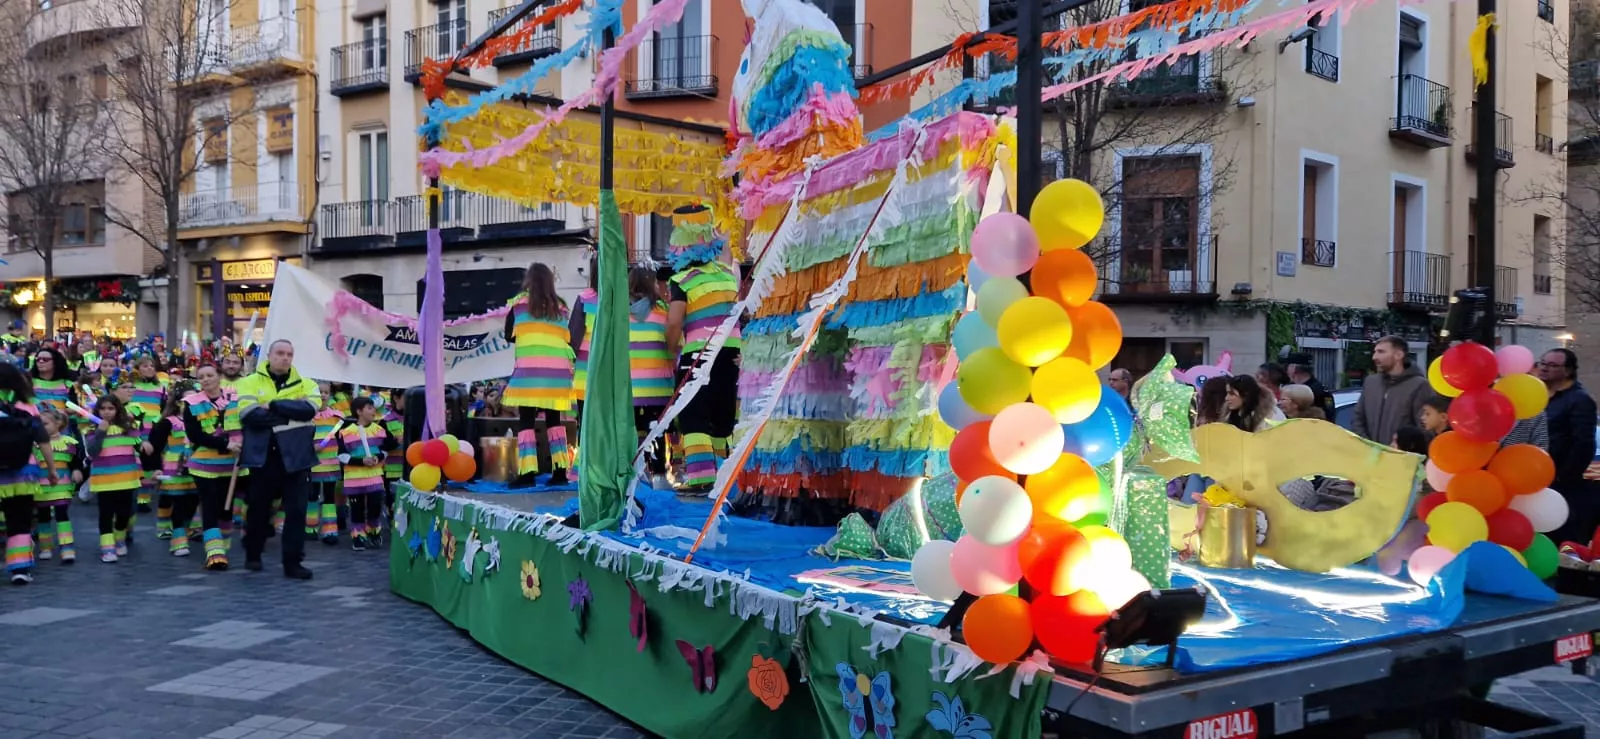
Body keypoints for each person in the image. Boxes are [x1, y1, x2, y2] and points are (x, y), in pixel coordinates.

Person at [664, 206, 741, 491]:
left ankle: (700, 479)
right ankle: (724, 479)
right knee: (723, 416)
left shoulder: (682, 280)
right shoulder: (726, 274)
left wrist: (670, 350)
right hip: (732, 352)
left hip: (699, 353)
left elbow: (674, 323)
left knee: (693, 414)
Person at [236, 340, 321, 580]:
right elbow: (249, 416)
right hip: (264, 455)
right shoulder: (249, 381)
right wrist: (289, 413)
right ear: (269, 355)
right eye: (280, 353)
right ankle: (253, 552)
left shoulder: (307, 383)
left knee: (296, 511)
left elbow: (309, 410)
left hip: (297, 456)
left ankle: (293, 562)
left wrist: (272, 405)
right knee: (258, 509)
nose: (285, 358)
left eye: (289, 354)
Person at [502, 263, 575, 487]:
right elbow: (567, 336)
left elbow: (508, 335)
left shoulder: (519, 304)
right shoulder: (561, 307)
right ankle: (560, 471)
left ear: (529, 281)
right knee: (555, 420)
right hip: (557, 373)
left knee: (527, 421)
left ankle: (527, 474)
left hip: (529, 372)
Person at [182, 364, 244, 570]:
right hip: (204, 464)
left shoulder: (236, 398)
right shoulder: (191, 403)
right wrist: (225, 444)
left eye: (210, 375)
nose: (206, 379)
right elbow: (195, 435)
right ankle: (214, 552)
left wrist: (242, 442)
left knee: (226, 507)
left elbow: (246, 423)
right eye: (201, 377)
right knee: (208, 505)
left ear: (219, 376)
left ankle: (222, 545)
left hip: (231, 464)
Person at [0, 363, 57, 583]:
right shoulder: (28, 406)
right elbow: (43, 440)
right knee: (20, 520)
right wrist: (51, 470)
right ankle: (20, 568)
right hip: (23, 472)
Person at [1537, 348, 1597, 545]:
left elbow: (1584, 443)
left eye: (1552, 365)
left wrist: (1564, 476)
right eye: (1543, 363)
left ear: (1568, 371)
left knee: (1566, 538)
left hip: (1565, 484)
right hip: (1539, 478)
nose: (1544, 369)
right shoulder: (1540, 396)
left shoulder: (1579, 400)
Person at [628, 266, 676, 487]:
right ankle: (658, 476)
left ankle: (635, 476)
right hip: (658, 386)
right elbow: (676, 342)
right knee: (656, 431)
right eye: (656, 282)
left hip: (630, 387)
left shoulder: (621, 313)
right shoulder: (662, 311)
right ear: (651, 284)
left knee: (632, 432)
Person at [86, 395, 141, 563]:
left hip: (127, 477)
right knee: (106, 513)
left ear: (118, 410)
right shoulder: (91, 429)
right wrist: (101, 432)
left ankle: (119, 538)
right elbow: (92, 451)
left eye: (110, 408)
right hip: (103, 479)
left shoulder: (129, 427)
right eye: (103, 409)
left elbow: (139, 445)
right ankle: (107, 546)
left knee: (124, 512)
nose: (106, 412)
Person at [337, 396, 395, 551]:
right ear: (359, 411)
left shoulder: (379, 430)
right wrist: (361, 461)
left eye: (373, 408)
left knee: (375, 505)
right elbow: (342, 456)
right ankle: (358, 536)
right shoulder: (346, 432)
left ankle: (374, 531)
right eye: (369, 408)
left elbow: (386, 449)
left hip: (374, 478)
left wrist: (378, 457)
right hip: (354, 480)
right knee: (357, 509)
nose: (373, 411)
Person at [1351, 336, 1432, 445]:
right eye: (1375, 352)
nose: (1374, 357)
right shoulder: (1371, 382)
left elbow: (1426, 427)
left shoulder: (1419, 385)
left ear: (1398, 355)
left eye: (1381, 352)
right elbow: (1357, 418)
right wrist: (1368, 445)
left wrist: (1402, 446)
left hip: (1400, 457)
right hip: (1369, 456)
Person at [149, 395, 199, 557]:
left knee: (192, 503)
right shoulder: (168, 422)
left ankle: (185, 531)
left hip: (196, 464)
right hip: (174, 466)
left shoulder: (201, 418)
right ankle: (178, 541)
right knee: (178, 502)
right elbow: (155, 446)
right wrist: (156, 468)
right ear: (178, 402)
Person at [32, 408, 82, 564]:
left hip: (62, 485)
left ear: (58, 423)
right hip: (41, 486)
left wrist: (76, 470)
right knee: (43, 516)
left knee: (62, 514)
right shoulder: (34, 444)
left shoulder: (68, 442)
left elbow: (76, 460)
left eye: (45, 423)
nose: (41, 426)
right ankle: (46, 547)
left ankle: (67, 547)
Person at [309, 386, 344, 546]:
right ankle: (310, 528)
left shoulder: (337, 417)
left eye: (325, 392)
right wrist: (310, 446)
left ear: (329, 395)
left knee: (329, 495)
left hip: (331, 462)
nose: (322, 395)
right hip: (312, 462)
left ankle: (330, 530)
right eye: (319, 392)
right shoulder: (307, 416)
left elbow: (342, 438)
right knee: (311, 494)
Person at [29, 347, 76, 415]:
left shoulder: (68, 384)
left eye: (45, 359)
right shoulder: (28, 382)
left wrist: (65, 411)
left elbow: (75, 406)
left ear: (55, 362)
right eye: (38, 359)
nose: (41, 361)